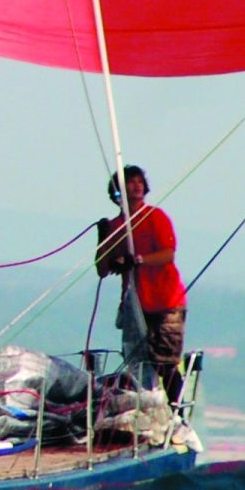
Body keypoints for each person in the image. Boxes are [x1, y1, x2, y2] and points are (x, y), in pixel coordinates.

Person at [96, 165, 189, 402]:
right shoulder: (116, 226)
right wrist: (103, 238)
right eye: (130, 182)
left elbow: (168, 254)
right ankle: (149, 408)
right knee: (138, 365)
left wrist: (137, 260)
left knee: (165, 362)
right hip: (135, 304)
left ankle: (177, 413)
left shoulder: (155, 217)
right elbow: (102, 268)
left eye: (139, 181)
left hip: (165, 301)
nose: (137, 185)